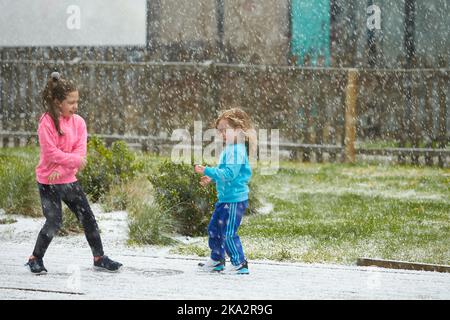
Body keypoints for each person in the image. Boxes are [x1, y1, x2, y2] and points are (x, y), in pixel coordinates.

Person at [26, 72, 122, 274]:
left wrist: (63, 168)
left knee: (88, 217)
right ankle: (35, 258)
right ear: (57, 101)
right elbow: (51, 153)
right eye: (71, 102)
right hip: (48, 182)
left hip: (68, 179)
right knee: (54, 221)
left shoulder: (79, 122)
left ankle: (99, 257)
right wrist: (74, 161)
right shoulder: (46, 122)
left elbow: (80, 153)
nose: (75, 106)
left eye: (77, 101)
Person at [194, 108, 255, 275]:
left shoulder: (237, 150)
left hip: (235, 200)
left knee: (228, 232)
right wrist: (212, 178)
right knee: (214, 228)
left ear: (238, 130)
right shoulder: (230, 149)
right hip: (225, 199)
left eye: (225, 130)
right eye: (219, 131)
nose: (221, 134)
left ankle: (239, 263)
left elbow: (229, 174)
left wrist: (207, 171)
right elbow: (224, 171)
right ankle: (217, 259)